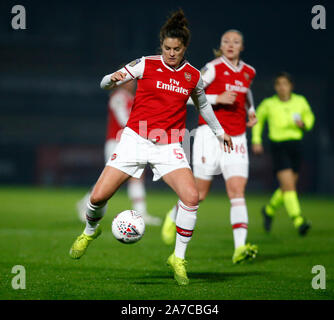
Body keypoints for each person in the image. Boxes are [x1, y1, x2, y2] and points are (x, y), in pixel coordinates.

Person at [69, 9, 233, 286]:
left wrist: (220, 132)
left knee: (191, 198)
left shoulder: (193, 76)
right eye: (167, 48)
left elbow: (203, 104)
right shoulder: (145, 64)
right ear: (162, 46)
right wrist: (109, 80)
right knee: (97, 198)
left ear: (185, 48)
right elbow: (107, 81)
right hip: (135, 140)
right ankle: (90, 230)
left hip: (169, 145)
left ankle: (178, 258)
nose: (171, 53)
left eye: (177, 49)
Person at [161, 30, 258, 264]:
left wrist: (251, 110)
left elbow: (246, 91)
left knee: (237, 192)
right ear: (221, 46)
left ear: (242, 46)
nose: (231, 45)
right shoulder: (213, 68)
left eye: (236, 41)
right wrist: (217, 99)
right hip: (210, 135)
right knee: (199, 194)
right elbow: (186, 95)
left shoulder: (249, 72)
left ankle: (239, 248)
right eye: (226, 41)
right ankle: (172, 216)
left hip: (237, 139)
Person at [76, 79, 161, 226]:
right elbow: (124, 120)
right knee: (110, 180)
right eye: (128, 80)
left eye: (133, 81)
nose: (132, 83)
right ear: (121, 82)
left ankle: (141, 213)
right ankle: (86, 203)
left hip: (130, 142)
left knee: (136, 176)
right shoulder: (118, 97)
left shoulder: (131, 98)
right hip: (116, 142)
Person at [251, 72, 315, 235]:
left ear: (291, 86)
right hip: (278, 146)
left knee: (288, 186)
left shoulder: (300, 101)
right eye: (278, 84)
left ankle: (269, 210)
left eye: (285, 84)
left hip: (295, 145)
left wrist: (304, 124)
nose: (282, 87)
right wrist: (256, 140)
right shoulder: (269, 104)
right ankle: (298, 220)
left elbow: (309, 117)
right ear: (275, 87)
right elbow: (257, 121)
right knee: (289, 186)